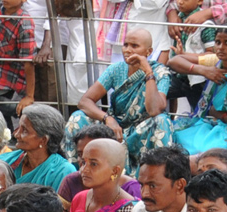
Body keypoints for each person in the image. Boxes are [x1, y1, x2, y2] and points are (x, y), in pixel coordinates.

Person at [67, 30, 174, 167]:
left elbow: (154, 110)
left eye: (134, 46)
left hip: (141, 131)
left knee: (161, 120)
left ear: (149, 51)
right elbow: (85, 101)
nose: (127, 50)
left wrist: (148, 72)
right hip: (114, 127)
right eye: (125, 45)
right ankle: (76, 172)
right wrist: (107, 119)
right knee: (77, 117)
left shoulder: (160, 72)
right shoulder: (116, 69)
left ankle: (158, 173)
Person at [168, 26, 227, 155]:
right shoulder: (216, 61)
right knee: (172, 138)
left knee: (201, 151)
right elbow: (173, 61)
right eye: (218, 43)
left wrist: (221, 115)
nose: (221, 48)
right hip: (212, 124)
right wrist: (203, 70)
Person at [0, 105, 74, 190]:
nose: (16, 134)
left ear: (43, 140)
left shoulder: (62, 172)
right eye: (18, 128)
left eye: (25, 130)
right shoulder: (5, 161)